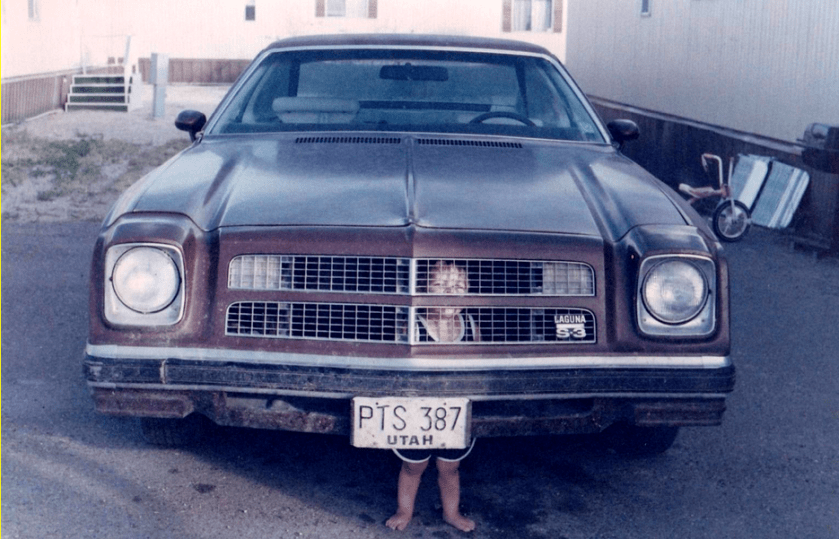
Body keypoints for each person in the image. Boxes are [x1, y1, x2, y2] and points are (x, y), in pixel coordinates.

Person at [386, 261, 478, 532]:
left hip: (453, 411)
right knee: (413, 467)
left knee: (450, 468)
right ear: (423, 289)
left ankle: (451, 513)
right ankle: (404, 510)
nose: (450, 292)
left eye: (458, 286)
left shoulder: (469, 324)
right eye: (440, 285)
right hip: (418, 411)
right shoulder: (413, 324)